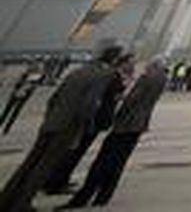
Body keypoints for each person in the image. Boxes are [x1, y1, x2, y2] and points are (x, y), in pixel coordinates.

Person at [0, 46, 120, 212]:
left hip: (52, 122)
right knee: (44, 167)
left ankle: (7, 197)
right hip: (68, 126)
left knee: (29, 163)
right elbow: (89, 105)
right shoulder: (104, 75)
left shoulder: (79, 71)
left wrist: (50, 118)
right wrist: (87, 126)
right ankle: (21, 203)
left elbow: (54, 98)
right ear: (114, 60)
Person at [59, 59, 167, 208]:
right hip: (137, 126)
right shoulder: (161, 79)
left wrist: (119, 101)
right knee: (118, 163)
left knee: (103, 161)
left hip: (125, 126)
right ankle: (103, 196)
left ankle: (85, 196)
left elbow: (131, 101)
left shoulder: (146, 79)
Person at [43, 53, 132, 195]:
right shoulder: (107, 75)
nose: (131, 64)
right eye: (130, 61)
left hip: (81, 120)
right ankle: (57, 181)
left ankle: (58, 179)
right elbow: (95, 100)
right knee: (74, 152)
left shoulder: (91, 72)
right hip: (91, 121)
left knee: (73, 152)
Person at [1, 62, 45, 134]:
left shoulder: (38, 76)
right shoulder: (27, 74)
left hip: (23, 94)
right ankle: (5, 127)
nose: (35, 67)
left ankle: (6, 128)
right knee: (9, 111)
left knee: (13, 111)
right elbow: (19, 83)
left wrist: (26, 87)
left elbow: (34, 85)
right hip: (19, 93)